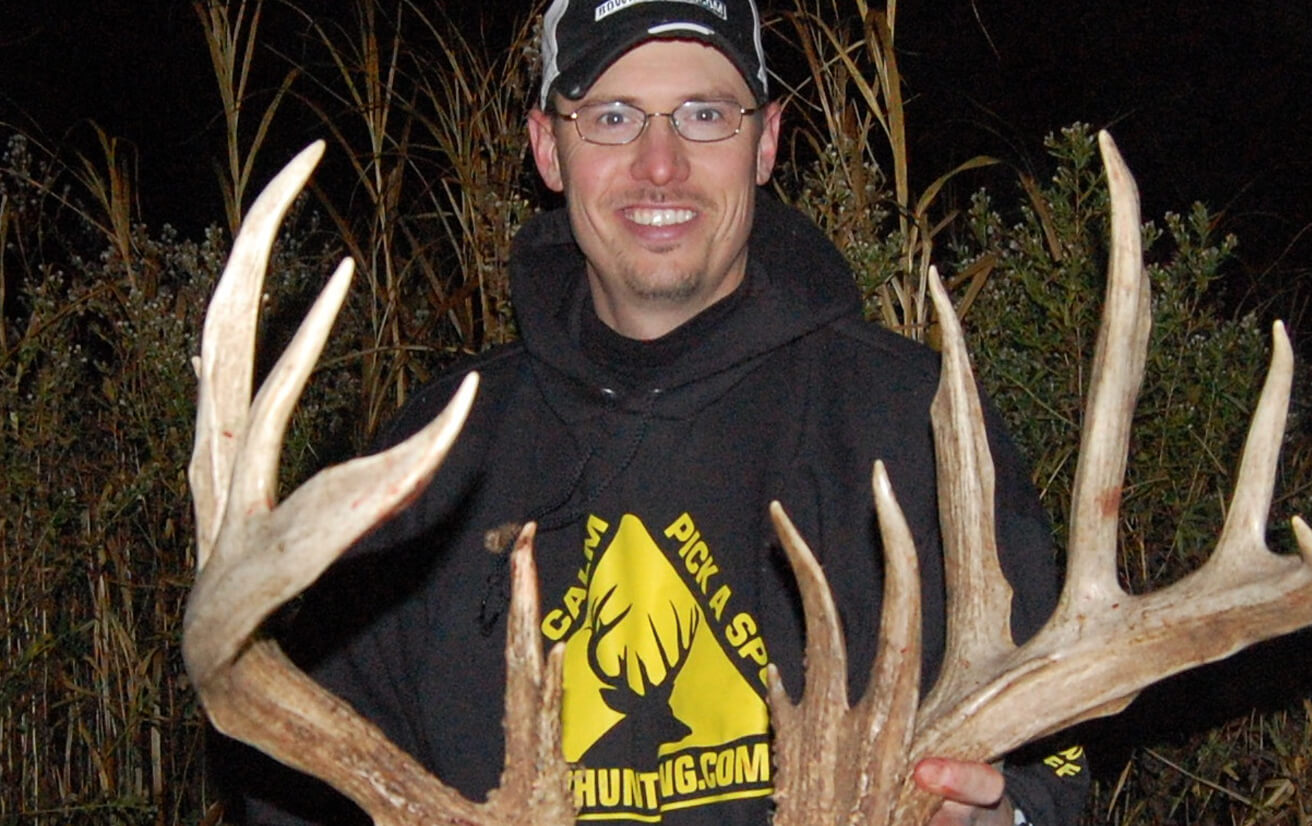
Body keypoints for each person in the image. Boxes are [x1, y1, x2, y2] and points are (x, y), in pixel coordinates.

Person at [238, 0, 1089, 823]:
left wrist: (999, 814)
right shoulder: (439, 454)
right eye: (612, 117)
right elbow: (299, 778)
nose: (660, 165)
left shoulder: (914, 422)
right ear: (547, 148)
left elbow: (1049, 755)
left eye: (705, 115)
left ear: (767, 142)